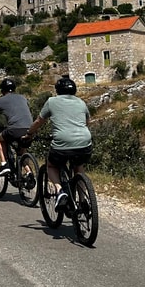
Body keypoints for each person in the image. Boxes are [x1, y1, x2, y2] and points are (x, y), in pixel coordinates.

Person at [26, 75, 92, 207]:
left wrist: (29, 133)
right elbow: (87, 122)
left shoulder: (51, 101)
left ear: (58, 90)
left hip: (62, 142)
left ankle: (59, 190)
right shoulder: (81, 102)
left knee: (51, 165)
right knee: (78, 167)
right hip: (85, 141)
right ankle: (83, 201)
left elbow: (39, 121)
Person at [0, 78, 34, 177]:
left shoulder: (1, 100)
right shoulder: (22, 98)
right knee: (21, 152)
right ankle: (29, 172)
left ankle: (4, 165)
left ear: (2, 90)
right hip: (30, 129)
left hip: (15, 129)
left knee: (0, 139)